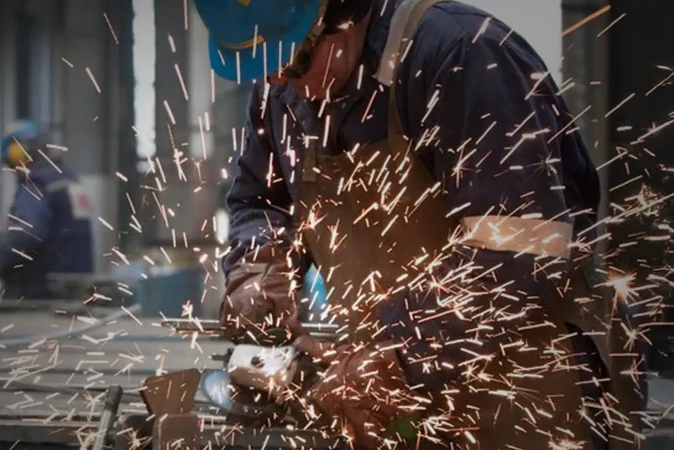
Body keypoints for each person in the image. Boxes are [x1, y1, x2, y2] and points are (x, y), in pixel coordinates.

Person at [202, 1, 643, 449]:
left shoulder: (464, 55)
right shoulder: (281, 90)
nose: (278, 81)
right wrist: (259, 270)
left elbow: (518, 244)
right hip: (396, 391)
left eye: (292, 60)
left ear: (345, 13)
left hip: (523, 386)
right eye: (264, 69)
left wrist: (400, 351)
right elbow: (260, 200)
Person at [0, 120, 95, 299]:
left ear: (18, 154)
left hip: (41, 293)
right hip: (75, 291)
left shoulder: (37, 183)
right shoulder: (71, 179)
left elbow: (26, 236)